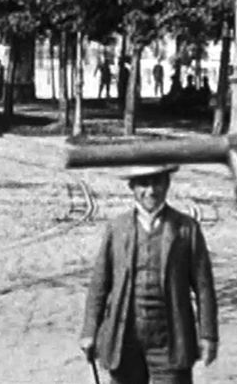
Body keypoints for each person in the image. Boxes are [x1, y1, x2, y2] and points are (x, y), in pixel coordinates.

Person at [80, 164, 218, 384]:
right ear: (132, 187)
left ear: (167, 184)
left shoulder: (186, 229)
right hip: (125, 339)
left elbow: (204, 288)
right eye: (143, 184)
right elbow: (100, 284)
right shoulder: (117, 228)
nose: (151, 191)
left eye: (157, 183)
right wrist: (90, 331)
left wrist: (208, 336)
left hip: (171, 340)